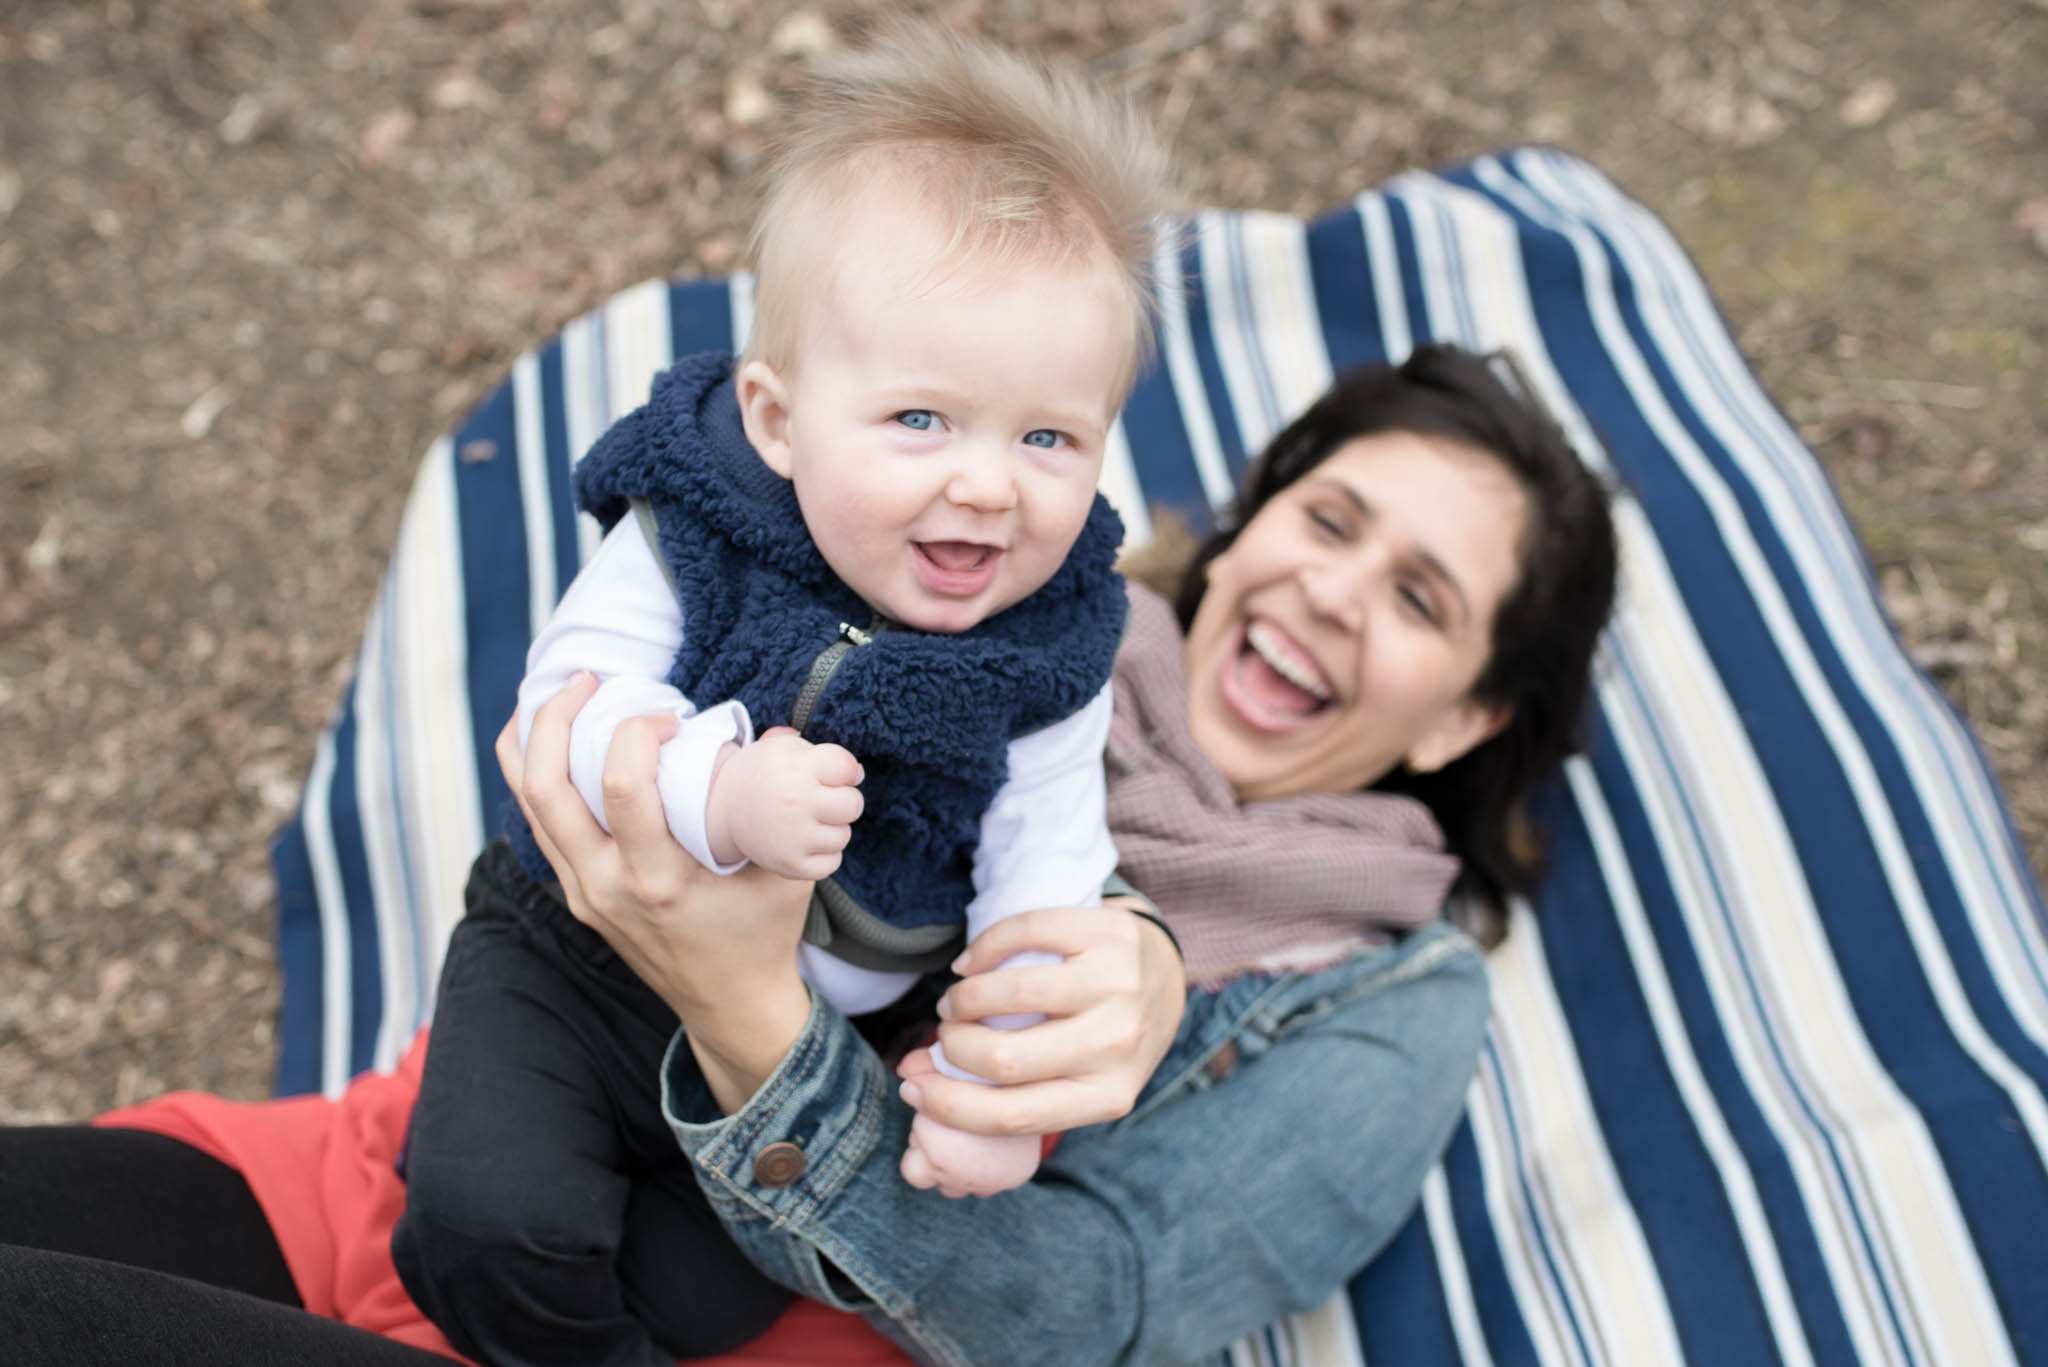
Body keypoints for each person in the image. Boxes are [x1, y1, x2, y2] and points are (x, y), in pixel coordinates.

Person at [0, 343, 1618, 1367]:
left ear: (1466, 714)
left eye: (1420, 599)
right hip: (423, 1169)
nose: (1336, 592)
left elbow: (1092, 1315)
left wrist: (755, 1020)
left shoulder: (1388, 998)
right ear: (1255, 522)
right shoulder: (972, 592)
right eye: (1330, 523)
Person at [391, 24, 1175, 1367]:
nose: (988, 484)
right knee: (485, 1217)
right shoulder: (695, 524)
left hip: (811, 1039)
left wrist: (998, 1093)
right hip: (571, 957)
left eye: (1048, 437)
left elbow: (1047, 863)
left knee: (713, 1297)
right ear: (776, 417)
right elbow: (567, 708)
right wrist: (720, 787)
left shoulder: (1054, 639)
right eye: (922, 420)